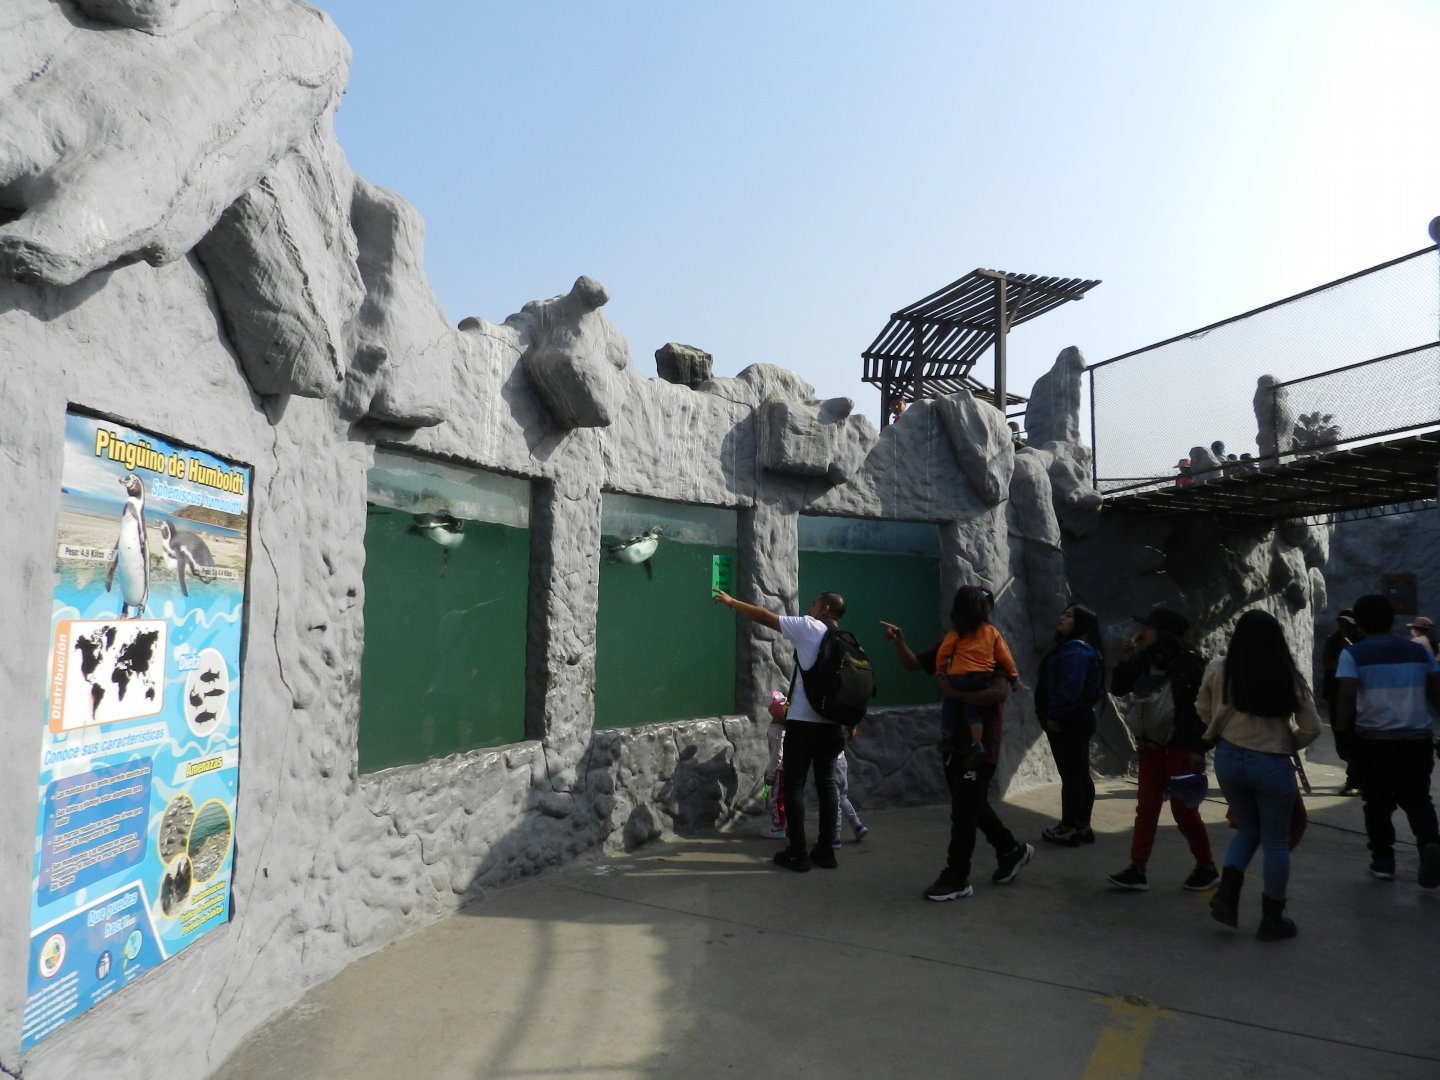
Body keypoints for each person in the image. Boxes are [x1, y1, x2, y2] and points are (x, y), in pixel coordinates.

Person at [880, 588, 1034, 902]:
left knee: (964, 812)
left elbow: (998, 693)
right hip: (953, 745)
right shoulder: (951, 642)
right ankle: (1010, 849)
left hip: (980, 748)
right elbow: (913, 664)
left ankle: (957, 876)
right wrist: (900, 643)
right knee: (971, 805)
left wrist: (956, 694)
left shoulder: (991, 643)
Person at [1198, 610, 1321, 941]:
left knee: (1247, 828)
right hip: (1271, 762)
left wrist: (1219, 727)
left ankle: (1227, 895)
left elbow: (1202, 708)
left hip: (1227, 759)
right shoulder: (1286, 674)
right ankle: (1272, 917)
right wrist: (1288, 742)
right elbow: (1312, 727)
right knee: (1276, 842)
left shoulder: (1219, 668)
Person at [714, 588, 848, 871]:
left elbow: (765, 617)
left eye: (814, 603)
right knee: (827, 784)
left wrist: (732, 602)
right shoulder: (845, 640)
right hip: (833, 726)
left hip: (803, 724)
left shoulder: (809, 627)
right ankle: (825, 851)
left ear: (824, 609)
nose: (810, 608)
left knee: (794, 786)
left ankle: (798, 853)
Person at [1107, 607, 1218, 891]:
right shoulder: (1144, 659)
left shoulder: (1192, 665)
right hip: (1151, 748)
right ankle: (1137, 868)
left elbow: (1205, 712)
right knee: (1146, 810)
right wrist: (1126, 661)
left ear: (1163, 632)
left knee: (1184, 813)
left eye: (1149, 627)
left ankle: (1206, 866)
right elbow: (1119, 688)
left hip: (1180, 749)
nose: (1142, 631)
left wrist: (1199, 748)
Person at [1333, 594, 1440, 887]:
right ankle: (1429, 843)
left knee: (1377, 802)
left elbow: (1346, 695)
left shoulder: (1354, 654)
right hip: (1416, 739)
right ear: (1392, 620)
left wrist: (1343, 734)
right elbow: (1437, 690)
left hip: (1373, 741)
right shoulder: (1419, 652)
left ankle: (1383, 861)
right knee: (1418, 798)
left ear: (1360, 623)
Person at [1036, 604, 1105, 846]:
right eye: (1063, 613)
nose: (1061, 618)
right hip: (1076, 719)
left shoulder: (1076, 651)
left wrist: (1054, 714)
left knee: (1072, 777)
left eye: (1068, 616)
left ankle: (1068, 828)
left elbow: (1069, 687)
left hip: (1070, 720)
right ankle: (1082, 826)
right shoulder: (1076, 649)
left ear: (1080, 624)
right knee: (1079, 775)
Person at [933, 586, 1019, 767]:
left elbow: (943, 653)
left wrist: (941, 673)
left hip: (959, 678)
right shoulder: (992, 632)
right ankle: (977, 743)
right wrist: (1013, 677)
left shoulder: (957, 632)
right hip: (982, 678)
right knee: (973, 710)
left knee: (951, 705)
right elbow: (1005, 656)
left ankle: (947, 737)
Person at [1321, 610, 1363, 796]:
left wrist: (1349, 649)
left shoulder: (1362, 641)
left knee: (1352, 739)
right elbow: (1328, 663)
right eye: (1341, 623)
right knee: (1341, 742)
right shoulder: (1333, 640)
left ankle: (1354, 779)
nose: (1343, 627)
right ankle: (1356, 771)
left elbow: (1362, 664)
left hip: (1354, 697)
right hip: (1334, 695)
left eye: (1347, 624)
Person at [761, 691, 788, 839]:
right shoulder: (782, 728)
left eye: (772, 705)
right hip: (787, 768)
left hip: (779, 770)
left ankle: (778, 828)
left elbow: (778, 755)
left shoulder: (777, 731)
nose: (769, 706)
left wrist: (770, 774)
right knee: (785, 798)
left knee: (777, 798)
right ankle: (785, 825)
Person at [832, 751, 868, 846]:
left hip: (830, 764)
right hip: (842, 761)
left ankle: (835, 836)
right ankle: (857, 826)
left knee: (833, 801)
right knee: (843, 798)